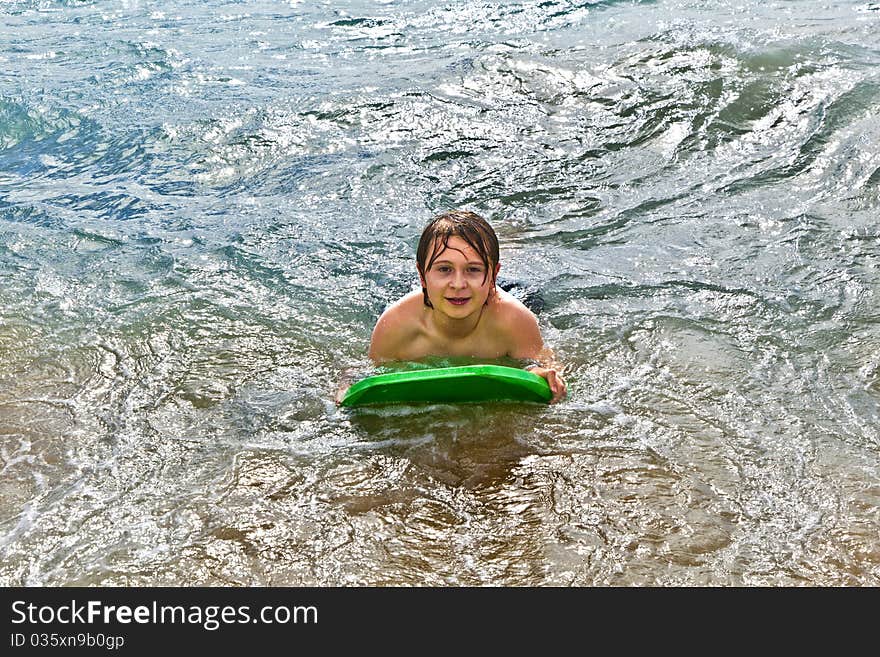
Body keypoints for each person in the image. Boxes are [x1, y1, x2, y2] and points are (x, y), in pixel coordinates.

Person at [365, 210, 567, 403]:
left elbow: (542, 365)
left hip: (505, 293)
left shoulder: (514, 320)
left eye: (473, 269)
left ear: (494, 275)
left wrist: (544, 375)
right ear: (422, 276)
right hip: (440, 296)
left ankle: (508, 236)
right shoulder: (396, 324)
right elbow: (366, 376)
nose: (458, 284)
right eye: (444, 268)